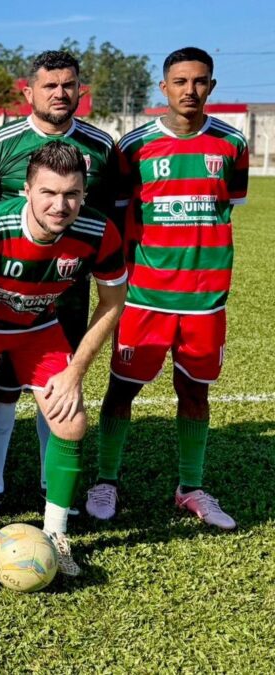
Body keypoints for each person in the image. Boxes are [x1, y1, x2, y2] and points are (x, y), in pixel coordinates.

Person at [0, 141, 126, 576]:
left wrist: (75, 371)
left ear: (83, 194)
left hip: (37, 330)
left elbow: (113, 300)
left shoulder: (98, 231)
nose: (61, 205)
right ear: (26, 190)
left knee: (71, 420)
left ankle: (56, 534)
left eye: (72, 194)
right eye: (49, 193)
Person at [86, 47, 248, 529]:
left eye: (200, 81)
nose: (190, 90)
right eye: (180, 81)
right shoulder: (134, 147)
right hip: (145, 297)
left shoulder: (231, 144)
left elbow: (229, 203)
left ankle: (191, 487)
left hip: (205, 300)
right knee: (121, 390)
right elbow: (118, 213)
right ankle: (106, 480)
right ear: (165, 88)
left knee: (195, 393)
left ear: (211, 87)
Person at [0, 50, 126, 518]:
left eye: (68, 85)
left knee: (59, 386)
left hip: (68, 287)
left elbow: (110, 219)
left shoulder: (102, 146)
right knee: (0, 387)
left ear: (80, 90)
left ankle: (47, 482)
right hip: (4, 289)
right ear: (29, 92)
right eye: (50, 85)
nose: (60, 93)